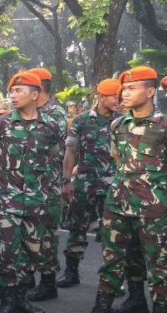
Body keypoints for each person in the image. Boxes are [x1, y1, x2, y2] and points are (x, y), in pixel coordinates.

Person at [76, 66, 167, 313]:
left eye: (131, 88)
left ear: (150, 91)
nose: (124, 93)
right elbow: (118, 159)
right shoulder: (117, 125)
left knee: (159, 264)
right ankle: (103, 309)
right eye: (123, 89)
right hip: (118, 203)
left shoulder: (164, 124)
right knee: (112, 258)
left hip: (155, 206)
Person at [0, 71, 63, 313]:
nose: (13, 95)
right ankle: (7, 302)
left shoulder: (50, 125)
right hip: (7, 200)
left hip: (37, 200)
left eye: (19, 91)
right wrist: (3, 170)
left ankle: (22, 298)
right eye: (12, 91)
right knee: (7, 253)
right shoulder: (2, 123)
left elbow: (53, 156)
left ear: (35, 94)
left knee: (32, 252)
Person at [58, 79, 121, 288]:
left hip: (114, 186)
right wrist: (66, 180)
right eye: (114, 96)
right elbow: (71, 151)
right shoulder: (81, 120)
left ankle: (112, 280)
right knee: (77, 229)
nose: (118, 100)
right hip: (85, 185)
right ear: (102, 96)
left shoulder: (122, 121)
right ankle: (71, 272)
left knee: (112, 234)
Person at [26, 68, 67, 302]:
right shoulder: (27, 111)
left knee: (47, 234)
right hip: (26, 185)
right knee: (27, 233)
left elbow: (45, 144)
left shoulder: (56, 114)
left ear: (38, 87)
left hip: (48, 185)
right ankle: (27, 278)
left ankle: (48, 282)